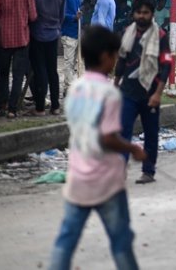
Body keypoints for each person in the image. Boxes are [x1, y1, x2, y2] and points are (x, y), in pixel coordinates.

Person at [48, 25, 145, 270]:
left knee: (66, 239)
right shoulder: (109, 93)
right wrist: (133, 148)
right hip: (106, 181)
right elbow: (107, 138)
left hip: (78, 177)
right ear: (105, 56)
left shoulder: (75, 89)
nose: (115, 61)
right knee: (121, 241)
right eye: (114, 55)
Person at [114, 0, 171, 184]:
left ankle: (148, 171)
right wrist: (115, 85)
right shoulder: (127, 33)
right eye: (138, 12)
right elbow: (121, 61)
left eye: (146, 13)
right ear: (133, 14)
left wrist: (158, 93)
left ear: (152, 14)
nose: (141, 16)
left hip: (150, 92)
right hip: (128, 91)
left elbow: (166, 65)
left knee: (151, 133)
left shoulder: (161, 36)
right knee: (123, 133)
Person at [0, 0, 37, 118]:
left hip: (5, 39)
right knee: (18, 75)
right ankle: (12, 109)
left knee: (2, 74)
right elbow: (33, 16)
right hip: (22, 39)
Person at [28, 0, 65, 116]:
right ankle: (55, 105)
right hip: (53, 34)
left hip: (36, 34)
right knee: (53, 70)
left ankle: (40, 106)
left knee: (40, 70)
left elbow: (30, 16)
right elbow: (61, 16)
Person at [61, 0, 84, 96]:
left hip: (78, 32)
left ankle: (72, 88)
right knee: (68, 62)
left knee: (77, 62)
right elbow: (61, 14)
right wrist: (74, 17)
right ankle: (68, 89)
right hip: (68, 32)